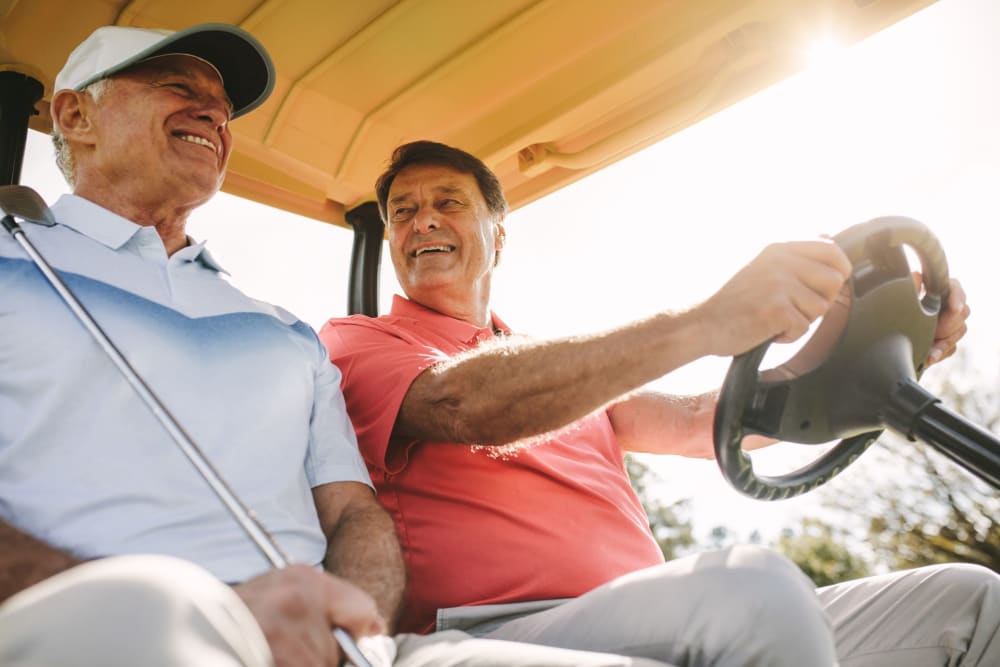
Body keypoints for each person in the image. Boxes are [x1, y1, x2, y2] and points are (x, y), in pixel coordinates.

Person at [0, 26, 679, 667]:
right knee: (158, 611)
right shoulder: (12, 260)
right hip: (96, 623)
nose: (213, 114)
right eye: (179, 88)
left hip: (324, 643)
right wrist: (216, 615)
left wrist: (359, 621)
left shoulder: (283, 332)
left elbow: (354, 512)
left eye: (222, 109)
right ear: (74, 116)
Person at [319, 140, 1000, 666]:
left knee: (973, 604)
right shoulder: (360, 342)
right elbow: (467, 401)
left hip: (653, 620)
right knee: (754, 589)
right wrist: (706, 321)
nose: (423, 220)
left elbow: (703, 419)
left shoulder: (559, 363)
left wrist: (868, 351)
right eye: (402, 211)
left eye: (448, 202)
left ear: (499, 232)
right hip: (496, 630)